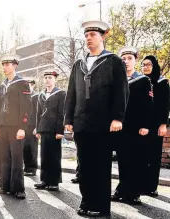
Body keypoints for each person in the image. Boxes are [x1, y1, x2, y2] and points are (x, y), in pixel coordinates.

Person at [64, 20, 129, 216]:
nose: (88, 38)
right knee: (84, 167)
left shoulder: (114, 62)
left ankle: (100, 208)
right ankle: (86, 202)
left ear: (102, 36)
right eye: (86, 35)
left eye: (92, 35)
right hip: (81, 124)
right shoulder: (79, 64)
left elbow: (121, 92)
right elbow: (71, 93)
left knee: (100, 167)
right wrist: (68, 119)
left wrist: (118, 118)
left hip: (102, 124)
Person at [110, 47, 153, 205]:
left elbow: (148, 105)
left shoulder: (143, 80)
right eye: (124, 59)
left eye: (129, 58)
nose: (126, 61)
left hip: (137, 128)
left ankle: (134, 193)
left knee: (136, 160)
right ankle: (122, 190)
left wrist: (145, 125)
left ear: (135, 60)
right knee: (123, 160)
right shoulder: (117, 80)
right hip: (121, 127)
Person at [0, 54, 31, 200]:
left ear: (15, 65)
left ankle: (18, 189)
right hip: (3, 126)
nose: (5, 67)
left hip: (16, 127)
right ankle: (5, 186)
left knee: (16, 158)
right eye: (3, 65)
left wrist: (23, 126)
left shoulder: (22, 83)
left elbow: (27, 106)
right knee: (5, 157)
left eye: (8, 64)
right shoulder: (3, 84)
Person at [141, 55, 170, 197]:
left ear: (154, 65)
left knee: (154, 156)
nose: (145, 67)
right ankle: (141, 185)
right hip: (142, 125)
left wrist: (164, 124)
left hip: (156, 125)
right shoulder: (141, 81)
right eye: (143, 64)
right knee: (142, 156)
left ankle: (151, 187)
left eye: (148, 64)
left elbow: (165, 105)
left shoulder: (162, 82)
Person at [34, 70, 66, 191]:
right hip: (44, 128)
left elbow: (61, 113)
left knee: (54, 156)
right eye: (46, 77)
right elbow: (38, 113)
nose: (47, 80)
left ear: (55, 79)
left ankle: (54, 182)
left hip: (54, 130)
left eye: (50, 78)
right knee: (44, 156)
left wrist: (60, 131)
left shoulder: (60, 93)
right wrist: (38, 129)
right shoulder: (41, 94)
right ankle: (44, 180)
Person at [23, 78, 39, 176]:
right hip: (24, 125)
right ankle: (26, 167)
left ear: (33, 85)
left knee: (32, 148)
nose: (28, 86)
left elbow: (38, 112)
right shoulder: (24, 95)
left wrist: (37, 127)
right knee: (25, 147)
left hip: (32, 125)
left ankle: (32, 169)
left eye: (29, 85)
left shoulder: (36, 96)